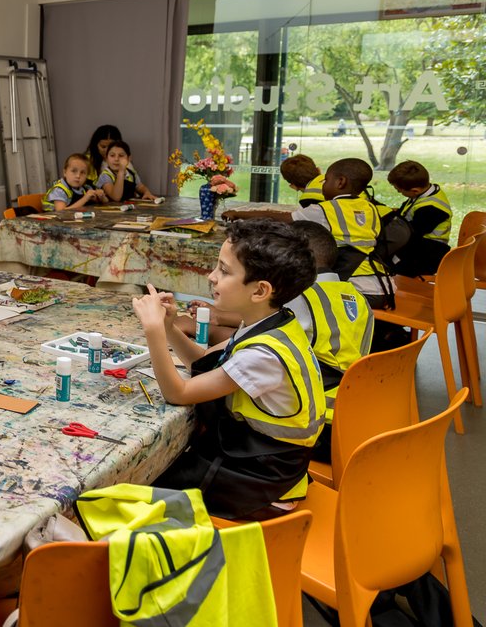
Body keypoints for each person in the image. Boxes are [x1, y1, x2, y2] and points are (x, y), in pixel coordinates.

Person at [131, 219, 324, 521]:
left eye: (224, 270)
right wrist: (170, 327)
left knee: (136, 491)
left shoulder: (263, 355)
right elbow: (204, 362)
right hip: (258, 459)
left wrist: (153, 330)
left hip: (262, 480)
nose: (211, 276)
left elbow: (178, 392)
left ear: (260, 290)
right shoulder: (272, 320)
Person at [287, 222, 373, 463]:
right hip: (351, 423)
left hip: (313, 429)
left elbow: (260, 340)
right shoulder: (357, 297)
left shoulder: (301, 297)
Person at [293, 158, 392, 308]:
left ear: (340, 182)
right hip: (383, 286)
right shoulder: (370, 208)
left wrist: (246, 212)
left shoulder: (326, 209)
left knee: (298, 299)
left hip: (356, 290)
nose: (323, 186)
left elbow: (286, 219)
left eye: (326, 181)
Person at [386, 159, 453, 277]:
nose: (399, 193)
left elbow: (410, 232)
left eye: (400, 191)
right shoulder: (424, 193)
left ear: (415, 190)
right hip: (418, 246)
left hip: (428, 254)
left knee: (383, 261)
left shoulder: (432, 209)